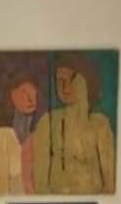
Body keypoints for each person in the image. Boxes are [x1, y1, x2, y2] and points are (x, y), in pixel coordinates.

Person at [33, 53, 115, 194]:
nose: (65, 87)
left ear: (86, 80)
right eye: (59, 81)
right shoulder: (48, 122)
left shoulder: (100, 124)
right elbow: (40, 181)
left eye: (72, 79)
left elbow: (110, 181)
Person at [0, 71, 40, 194]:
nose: (31, 98)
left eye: (33, 92)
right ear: (11, 94)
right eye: (24, 91)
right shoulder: (2, 135)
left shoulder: (39, 134)